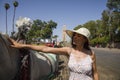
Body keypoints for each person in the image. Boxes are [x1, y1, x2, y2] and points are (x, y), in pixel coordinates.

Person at [9, 27, 99, 80]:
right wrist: (22, 46)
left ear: (85, 39)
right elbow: (45, 49)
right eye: (74, 35)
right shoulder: (69, 51)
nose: (75, 37)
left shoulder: (91, 54)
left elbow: (95, 73)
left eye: (78, 36)